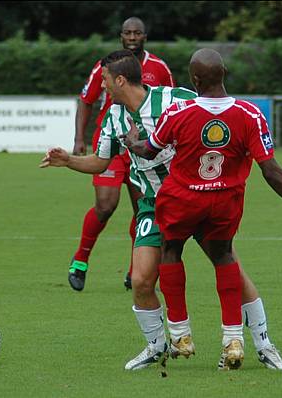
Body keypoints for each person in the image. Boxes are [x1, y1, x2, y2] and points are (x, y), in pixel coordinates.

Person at [41, 50, 282, 372]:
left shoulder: (175, 99)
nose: (101, 87)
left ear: (119, 80)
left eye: (104, 80)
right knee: (143, 280)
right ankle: (157, 346)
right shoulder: (113, 119)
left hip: (195, 198)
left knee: (233, 273)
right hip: (152, 204)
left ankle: (264, 345)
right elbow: (101, 162)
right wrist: (69, 161)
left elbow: (213, 106)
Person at [124, 48, 282, 370]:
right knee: (224, 258)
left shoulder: (178, 113)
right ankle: (233, 340)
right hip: (225, 201)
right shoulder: (249, 114)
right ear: (224, 75)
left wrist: (132, 140)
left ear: (194, 79)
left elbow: (149, 151)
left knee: (170, 250)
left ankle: (181, 334)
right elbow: (271, 170)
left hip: (182, 199)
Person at [69, 17, 174, 291]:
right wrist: (79, 139)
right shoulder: (105, 68)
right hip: (112, 144)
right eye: (127, 32)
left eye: (137, 32)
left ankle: (134, 269)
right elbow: (86, 99)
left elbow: (171, 105)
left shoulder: (159, 67)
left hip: (146, 147)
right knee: (106, 205)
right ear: (121, 36)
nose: (131, 36)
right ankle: (80, 260)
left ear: (145, 36)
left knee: (144, 208)